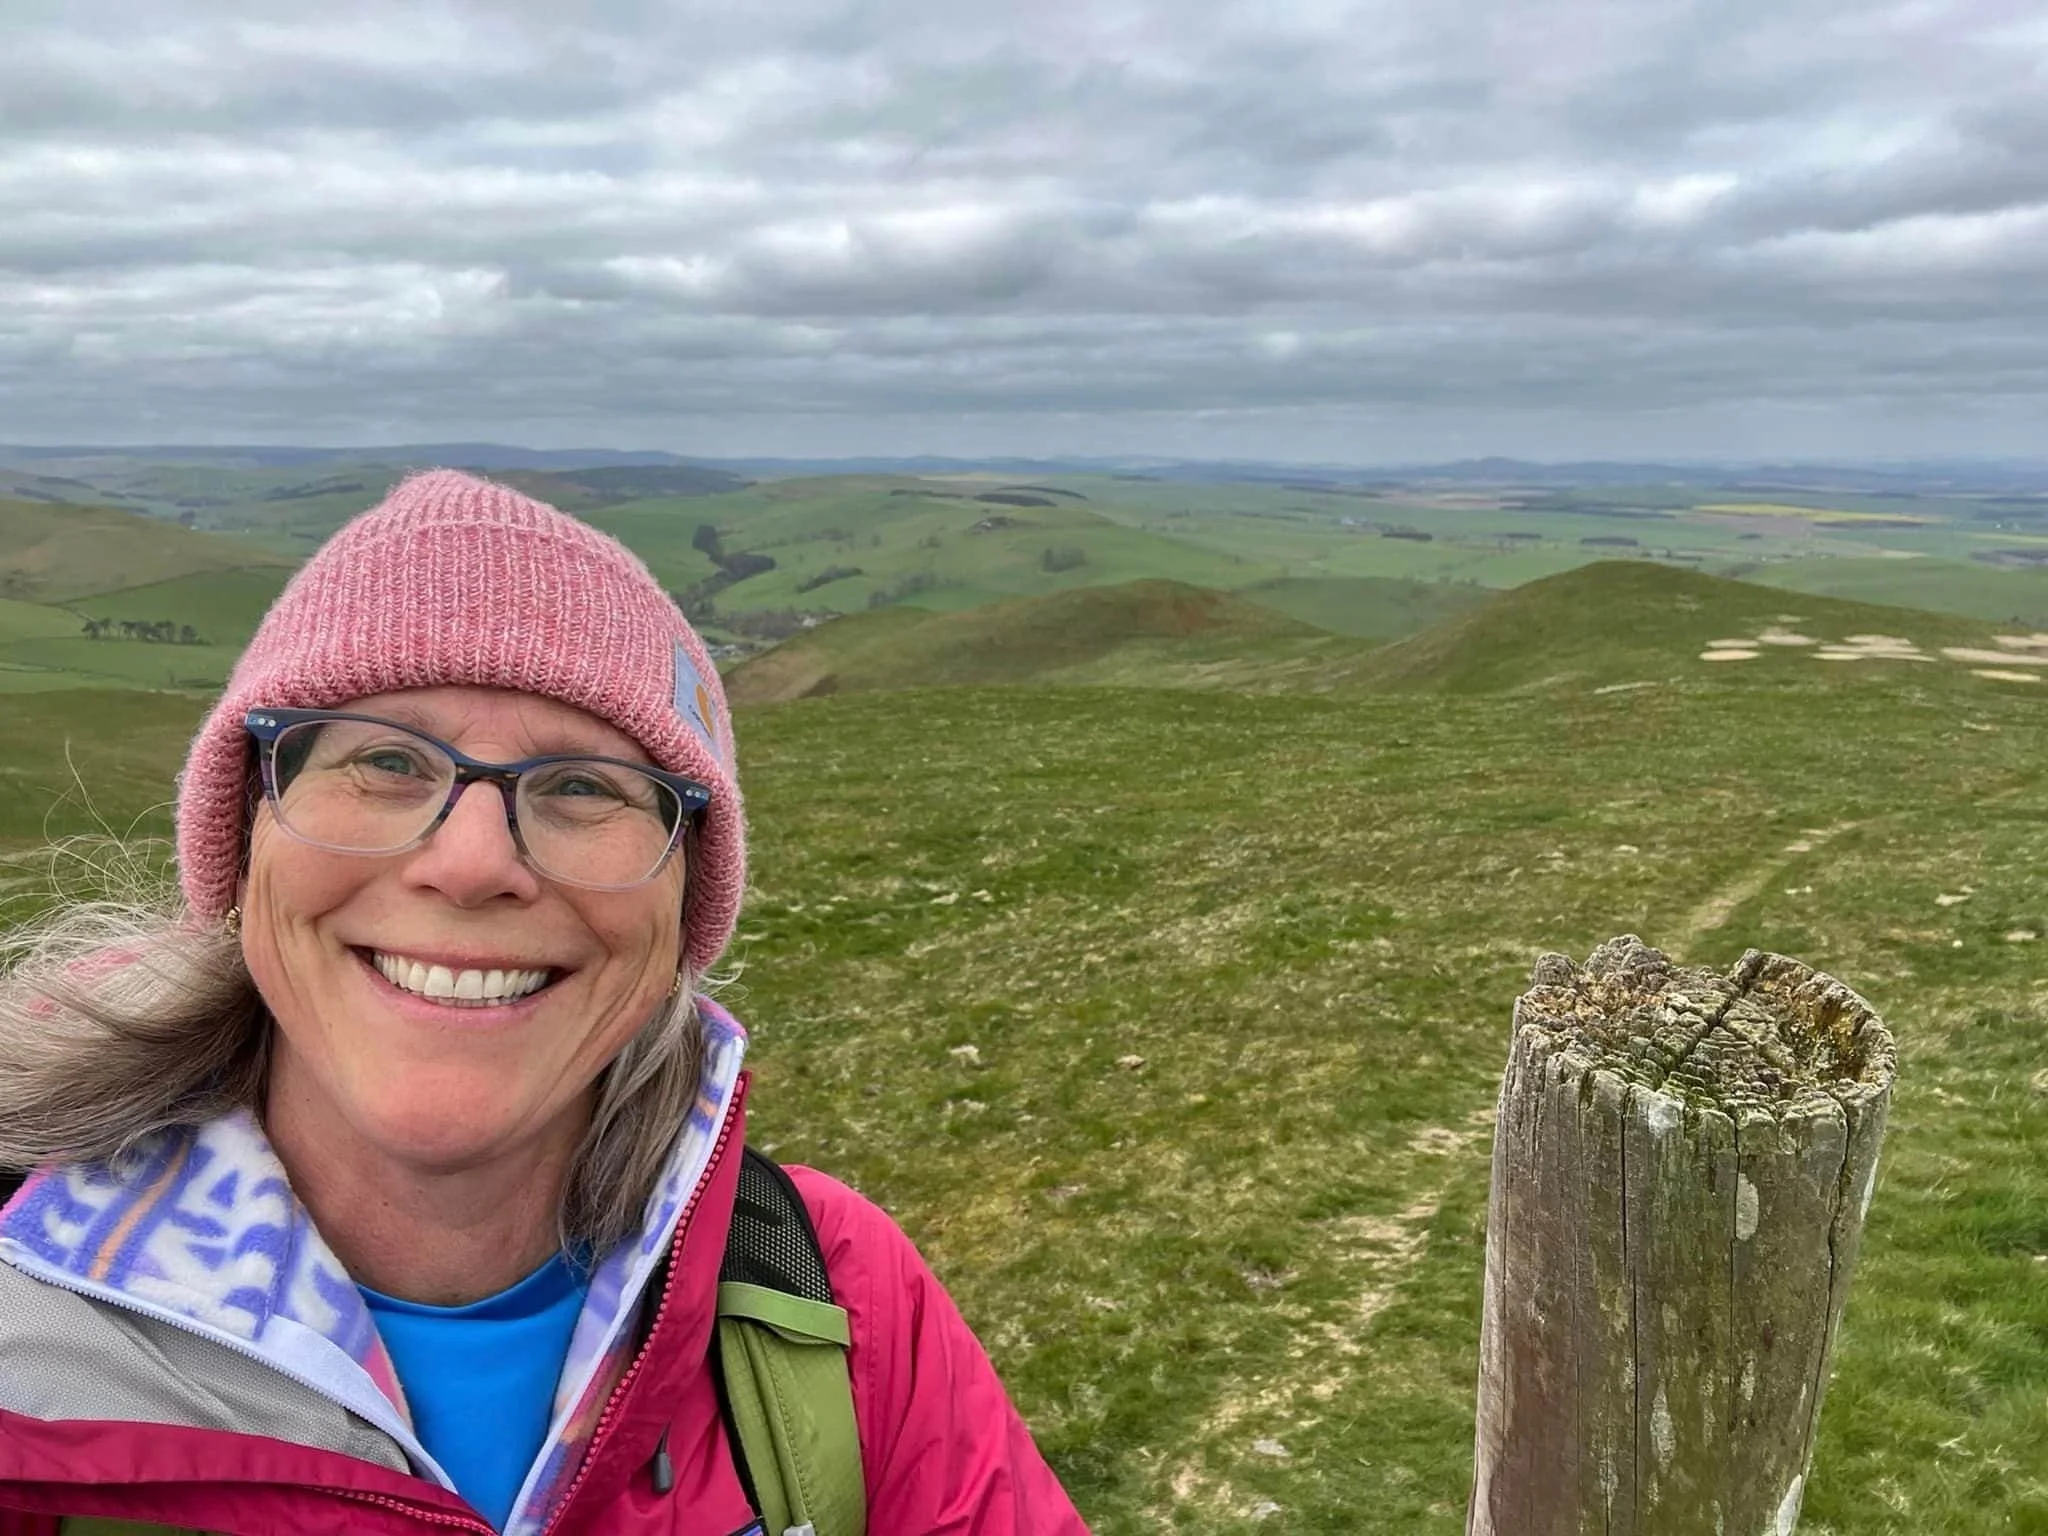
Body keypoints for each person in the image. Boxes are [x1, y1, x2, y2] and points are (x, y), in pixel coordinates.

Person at [0, 471, 1090, 1536]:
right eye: (384, 760)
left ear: (681, 903)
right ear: (243, 843)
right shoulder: (22, 1305)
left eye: (581, 786)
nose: (470, 864)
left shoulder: (832, 1293)